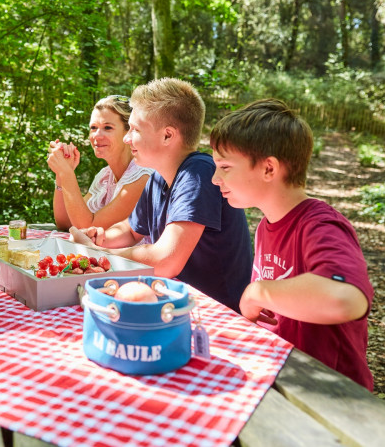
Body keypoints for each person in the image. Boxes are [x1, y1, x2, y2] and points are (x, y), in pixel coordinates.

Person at [210, 98, 374, 390]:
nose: (214, 178)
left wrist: (257, 292)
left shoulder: (320, 225)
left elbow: (346, 299)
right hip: (281, 377)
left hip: (328, 394)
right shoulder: (265, 226)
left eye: (224, 167)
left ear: (269, 169)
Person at [70, 78, 252, 312]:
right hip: (175, 304)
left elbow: (166, 261)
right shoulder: (159, 177)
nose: (127, 138)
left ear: (167, 135)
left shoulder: (198, 173)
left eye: (135, 129)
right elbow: (131, 230)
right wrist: (98, 237)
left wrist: (99, 253)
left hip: (214, 314)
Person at [48, 95, 152, 231]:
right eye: (93, 128)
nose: (97, 135)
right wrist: (61, 175)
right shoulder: (104, 176)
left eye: (107, 127)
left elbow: (89, 227)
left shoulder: (143, 177)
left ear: (129, 132)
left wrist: (66, 173)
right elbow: (66, 223)